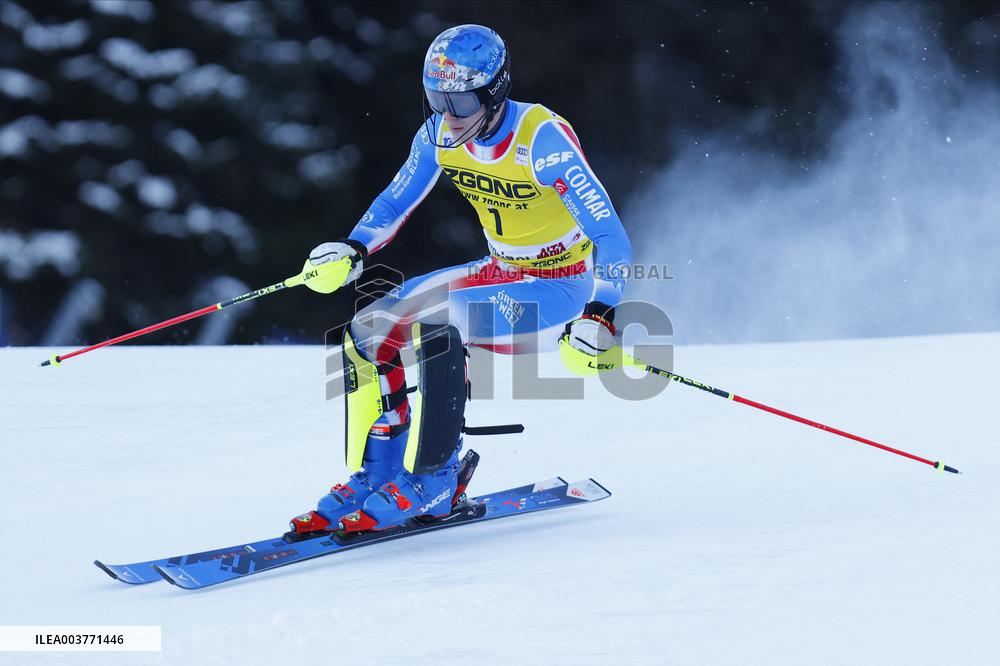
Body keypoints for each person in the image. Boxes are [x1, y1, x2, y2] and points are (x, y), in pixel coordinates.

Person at [288, 24, 632, 536]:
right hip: (502, 270)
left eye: (461, 101)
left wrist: (601, 312)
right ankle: (377, 474)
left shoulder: (541, 138)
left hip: (561, 285)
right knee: (367, 330)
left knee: (437, 321)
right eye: (436, 98)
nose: (448, 114)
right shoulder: (438, 134)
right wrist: (353, 247)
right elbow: (395, 201)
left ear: (494, 93)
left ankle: (436, 479)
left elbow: (610, 233)